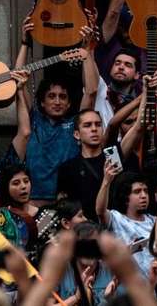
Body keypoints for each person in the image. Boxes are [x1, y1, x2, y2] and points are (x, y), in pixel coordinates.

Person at [17, 16, 98, 206]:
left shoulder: (76, 125)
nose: (57, 101)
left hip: (66, 204)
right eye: (51, 96)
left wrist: (86, 51)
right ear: (42, 102)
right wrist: (25, 42)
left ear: (69, 104)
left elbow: (91, 91)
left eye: (63, 97)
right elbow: (17, 79)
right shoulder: (33, 118)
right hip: (33, 202)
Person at [57, 107, 142, 221]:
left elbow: (138, 128)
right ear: (77, 134)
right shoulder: (68, 168)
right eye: (87, 125)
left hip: (118, 225)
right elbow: (64, 206)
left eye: (98, 125)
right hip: (87, 227)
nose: (94, 129)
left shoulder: (113, 156)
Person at [95, 168, 155, 279]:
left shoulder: (154, 221)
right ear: (125, 196)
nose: (143, 195)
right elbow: (100, 211)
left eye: (146, 191)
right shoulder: (116, 219)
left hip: (156, 284)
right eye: (137, 191)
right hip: (128, 285)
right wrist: (106, 181)